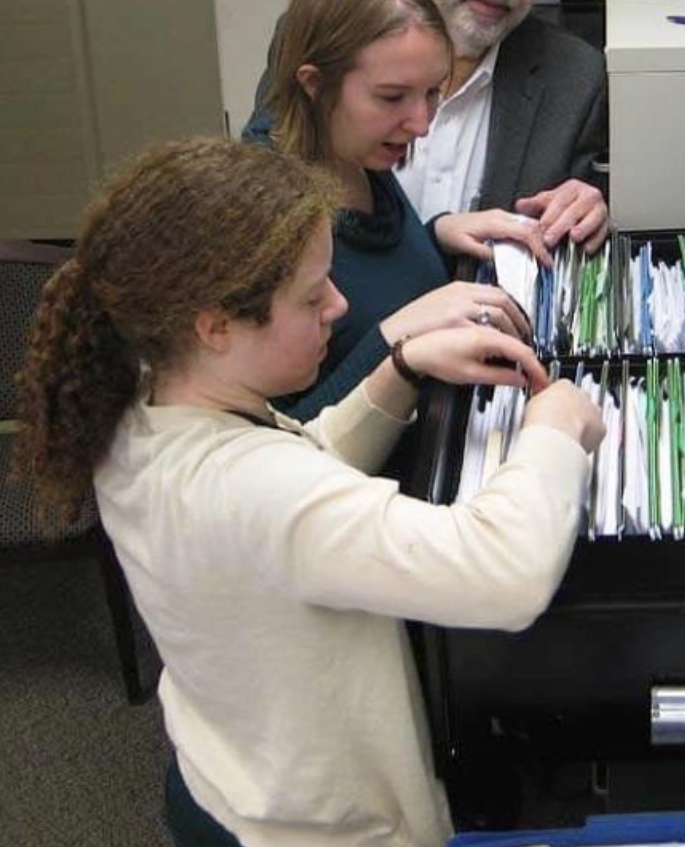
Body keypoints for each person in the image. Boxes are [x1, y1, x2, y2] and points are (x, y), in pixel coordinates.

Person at [15, 136, 605, 847]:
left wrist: (401, 368)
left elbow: (301, 459)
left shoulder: (144, 402)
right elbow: (502, 570)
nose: (339, 305)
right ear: (217, 326)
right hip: (324, 829)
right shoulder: (252, 489)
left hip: (231, 771)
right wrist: (555, 430)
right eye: (310, 294)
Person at [244, 0, 609, 255]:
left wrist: (592, 209)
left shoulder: (574, 77)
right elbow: (262, 209)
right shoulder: (327, 36)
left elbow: (586, 224)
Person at [245, 0, 553, 423]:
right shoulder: (263, 215)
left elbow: (371, 280)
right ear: (314, 84)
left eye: (433, 92)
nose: (421, 123)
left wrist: (437, 235)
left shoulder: (354, 151)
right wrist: (395, 340)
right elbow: (266, 441)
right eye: (392, 97)